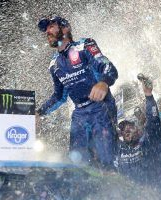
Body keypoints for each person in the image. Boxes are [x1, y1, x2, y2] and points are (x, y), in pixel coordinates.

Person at [36, 16, 118, 168]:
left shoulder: (84, 46)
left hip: (101, 108)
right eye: (46, 29)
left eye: (52, 26)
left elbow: (109, 68)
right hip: (79, 114)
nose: (48, 31)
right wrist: (39, 113)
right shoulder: (53, 64)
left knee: (107, 160)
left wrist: (103, 82)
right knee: (77, 164)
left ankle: (114, 180)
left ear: (65, 28)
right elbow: (59, 96)